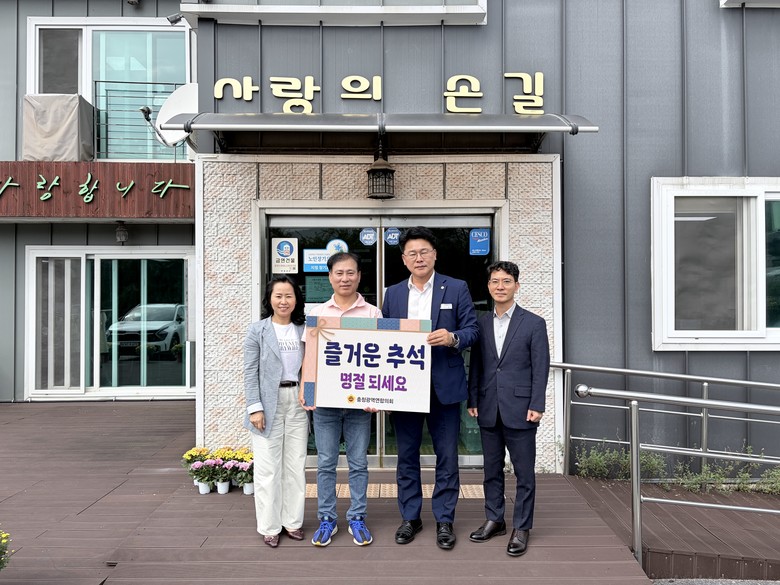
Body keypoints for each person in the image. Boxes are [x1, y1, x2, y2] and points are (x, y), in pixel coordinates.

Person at [381, 226, 478, 550]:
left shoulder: (457, 287)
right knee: (406, 456)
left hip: (444, 387)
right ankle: (410, 517)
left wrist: (453, 338)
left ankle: (445, 519)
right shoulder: (393, 293)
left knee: (447, 456)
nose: (419, 257)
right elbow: (383, 339)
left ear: (434, 255)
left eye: (424, 251)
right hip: (404, 388)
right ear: (404, 259)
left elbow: (473, 329)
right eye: (412, 253)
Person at [466, 261, 550, 557]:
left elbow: (541, 367)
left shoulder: (534, 323)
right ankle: (495, 519)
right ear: (488, 286)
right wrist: (473, 399)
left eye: (506, 281)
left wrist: (537, 404)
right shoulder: (480, 323)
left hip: (522, 408)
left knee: (524, 473)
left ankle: (522, 527)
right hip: (488, 406)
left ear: (516, 285)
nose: (500, 286)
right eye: (494, 281)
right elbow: (477, 365)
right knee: (491, 469)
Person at [299, 251, 382, 547]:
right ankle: (327, 519)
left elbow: (382, 359)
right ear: (330, 277)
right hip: (325, 404)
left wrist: (378, 395)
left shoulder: (373, 314)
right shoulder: (318, 313)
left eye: (350, 273)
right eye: (339, 273)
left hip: (360, 405)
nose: (344, 278)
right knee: (325, 463)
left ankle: (357, 517)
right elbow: (310, 357)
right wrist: (307, 390)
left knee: (359, 463)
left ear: (359, 276)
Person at [243, 276, 309, 548]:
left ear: (296, 299)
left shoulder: (304, 329)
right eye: (278, 296)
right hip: (267, 404)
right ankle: (269, 526)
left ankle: (292, 522)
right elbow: (250, 372)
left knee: (295, 466)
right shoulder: (257, 330)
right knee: (268, 468)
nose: (284, 301)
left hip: (297, 401)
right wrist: (254, 408)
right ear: (269, 299)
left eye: (289, 296)